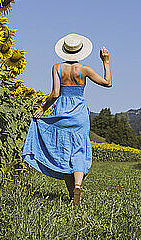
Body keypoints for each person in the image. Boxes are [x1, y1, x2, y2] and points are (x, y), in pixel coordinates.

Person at [21, 33, 112, 205]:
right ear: (81, 51)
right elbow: (107, 83)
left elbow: (55, 94)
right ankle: (78, 186)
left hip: (62, 111)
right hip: (79, 114)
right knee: (78, 150)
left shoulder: (57, 67)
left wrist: (42, 109)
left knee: (63, 151)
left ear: (64, 51)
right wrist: (105, 61)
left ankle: (72, 195)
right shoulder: (85, 69)